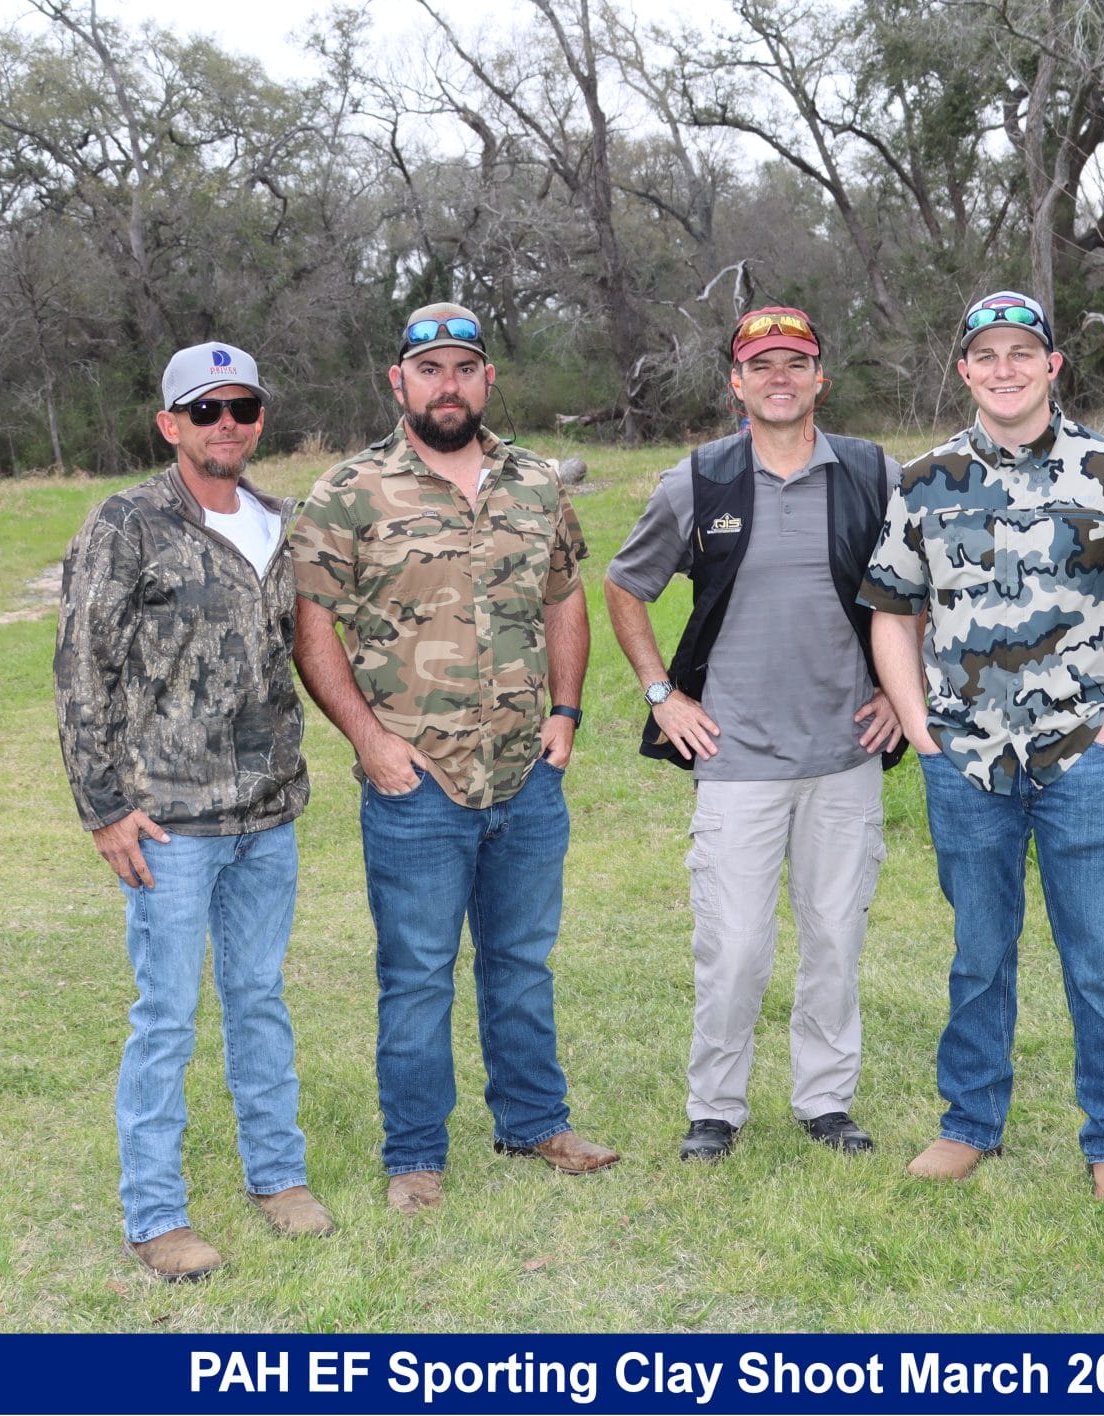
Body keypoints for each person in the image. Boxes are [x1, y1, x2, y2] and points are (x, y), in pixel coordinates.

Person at [859, 289, 1104, 1204]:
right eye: (987, 355)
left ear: (1052, 365)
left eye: (1022, 353)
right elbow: (892, 611)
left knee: (1102, 959)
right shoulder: (924, 480)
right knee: (979, 953)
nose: (1004, 369)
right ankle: (968, 1124)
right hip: (965, 760)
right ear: (964, 371)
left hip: (1084, 755)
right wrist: (919, 725)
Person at [288, 303, 616, 1214]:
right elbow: (311, 631)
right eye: (428, 369)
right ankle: (415, 1155)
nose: (447, 385)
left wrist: (566, 712)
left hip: (526, 774)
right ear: (398, 382)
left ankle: (535, 1120)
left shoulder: (536, 481)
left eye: (464, 368)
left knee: (522, 961)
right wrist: (370, 741)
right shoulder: (348, 491)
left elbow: (564, 597)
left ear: (487, 379)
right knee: (417, 975)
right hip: (418, 785)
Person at [602, 305, 904, 1163]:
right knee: (733, 948)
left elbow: (919, 588)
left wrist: (900, 690)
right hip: (735, 759)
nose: (780, 377)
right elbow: (625, 585)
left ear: (820, 379)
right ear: (736, 383)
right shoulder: (699, 481)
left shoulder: (872, 474)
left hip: (844, 753)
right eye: (761, 364)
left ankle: (825, 1101)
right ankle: (716, 1109)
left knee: (835, 937)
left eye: (795, 363)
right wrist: (663, 694)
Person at [54, 341, 328, 1281]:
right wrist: (104, 808)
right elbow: (81, 668)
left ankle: (278, 1176)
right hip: (168, 822)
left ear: (260, 419)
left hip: (268, 814)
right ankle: (156, 1215)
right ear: (170, 423)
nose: (227, 425)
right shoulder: (126, 524)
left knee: (260, 998)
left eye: (242, 407)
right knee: (166, 1016)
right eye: (205, 410)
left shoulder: (281, 523)